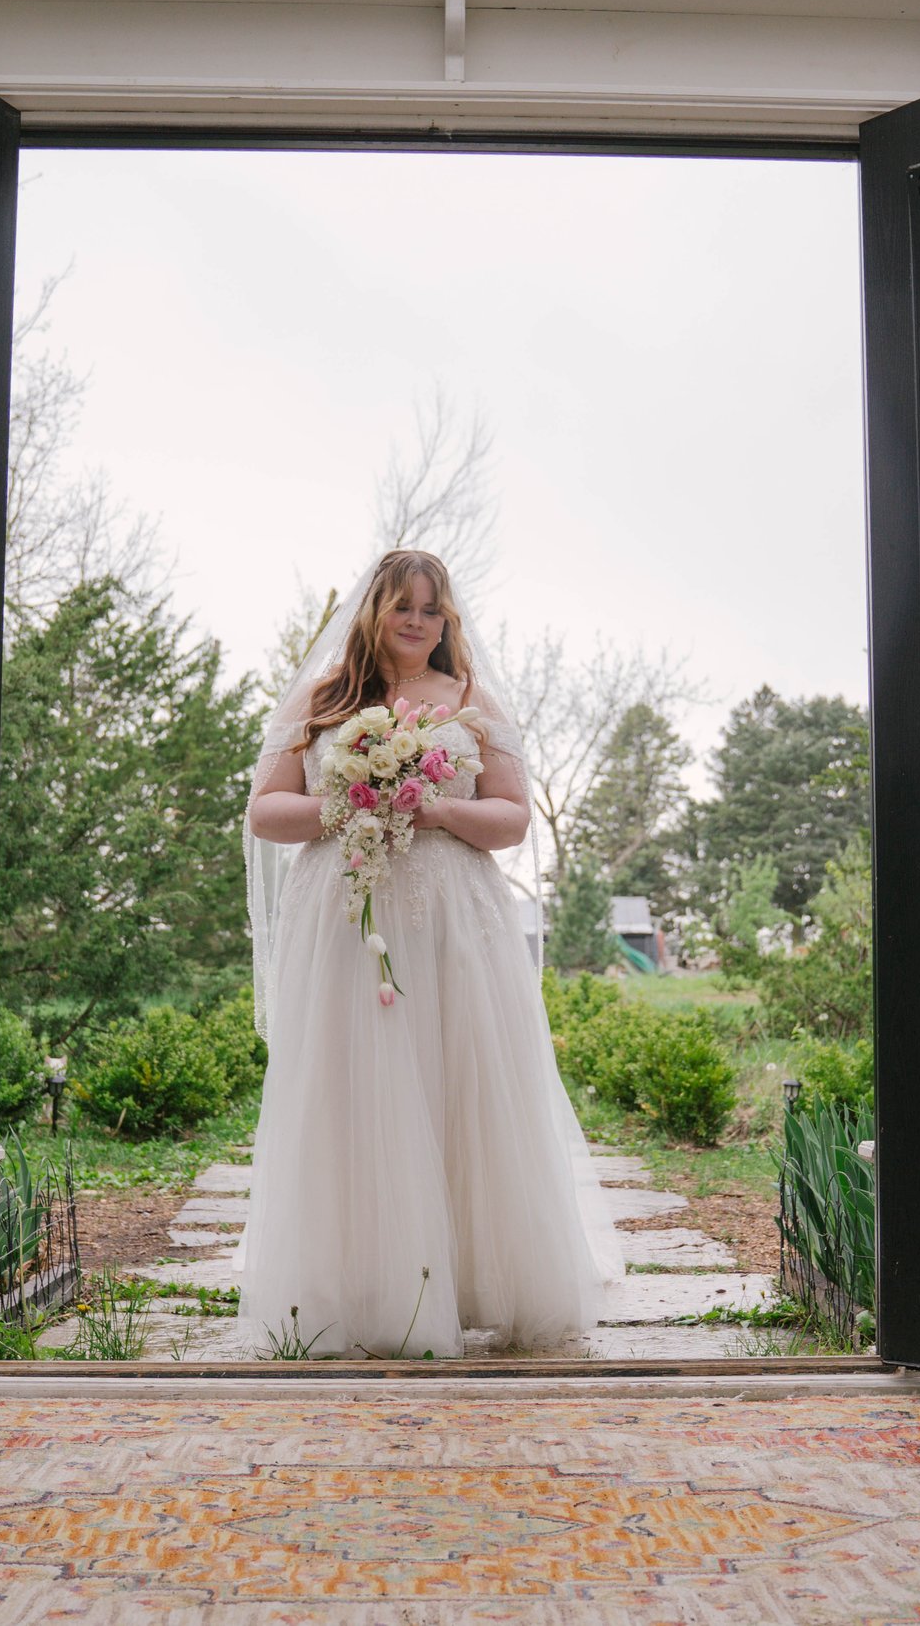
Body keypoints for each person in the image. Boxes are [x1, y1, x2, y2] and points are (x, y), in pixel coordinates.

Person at [238, 549, 621, 1357]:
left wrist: (434, 808)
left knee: (460, 1083)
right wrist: (350, 799)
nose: (417, 621)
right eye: (402, 605)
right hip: (347, 919)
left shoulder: (475, 703)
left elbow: (512, 819)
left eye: (431, 608)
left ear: (447, 621)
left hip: (452, 919)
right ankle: (353, 1291)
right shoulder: (324, 699)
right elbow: (267, 811)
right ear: (373, 610)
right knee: (353, 1092)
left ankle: (474, 1282)